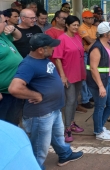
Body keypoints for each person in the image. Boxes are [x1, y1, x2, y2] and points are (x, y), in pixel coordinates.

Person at [8, 33, 83, 168]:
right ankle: (34, 166)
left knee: (58, 136)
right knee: (39, 146)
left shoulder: (43, 59)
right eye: (51, 47)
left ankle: (64, 154)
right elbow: (14, 88)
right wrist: (35, 95)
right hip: (40, 113)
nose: (54, 49)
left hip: (52, 108)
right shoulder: (28, 64)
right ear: (41, 49)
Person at [53, 15, 85, 143]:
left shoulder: (77, 37)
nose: (76, 27)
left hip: (79, 72)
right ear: (67, 25)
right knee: (70, 101)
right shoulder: (61, 39)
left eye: (78, 25)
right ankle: (66, 128)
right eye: (74, 25)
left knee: (75, 100)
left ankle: (72, 122)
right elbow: (57, 58)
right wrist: (62, 75)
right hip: (68, 74)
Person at [0, 11, 23, 125]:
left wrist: (13, 29)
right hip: (3, 93)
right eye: (4, 22)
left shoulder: (3, 35)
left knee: (12, 121)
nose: (6, 24)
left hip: (14, 89)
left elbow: (19, 36)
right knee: (3, 124)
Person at [78, 10, 97, 110]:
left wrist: (95, 41)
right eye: (89, 18)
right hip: (86, 53)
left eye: (92, 17)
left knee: (92, 76)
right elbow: (90, 41)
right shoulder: (82, 28)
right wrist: (97, 40)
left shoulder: (94, 27)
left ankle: (90, 96)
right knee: (85, 77)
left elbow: (96, 40)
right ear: (84, 19)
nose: (92, 19)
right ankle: (85, 100)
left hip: (94, 53)